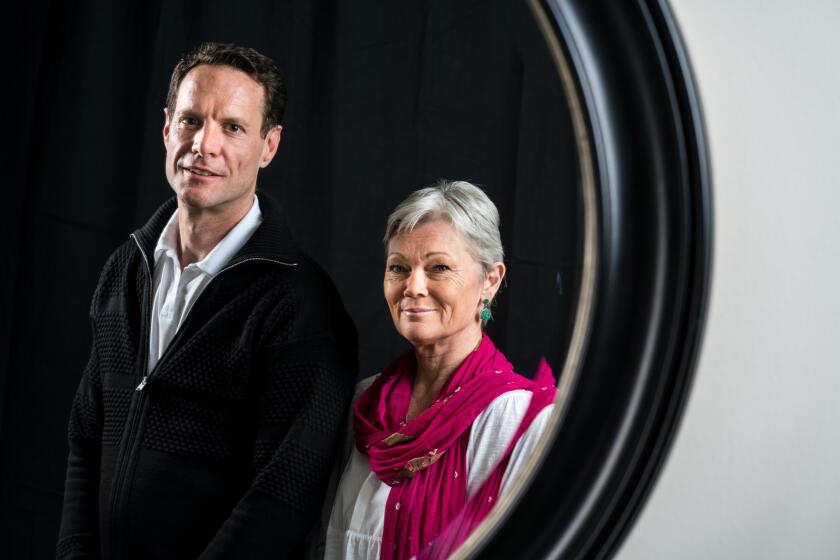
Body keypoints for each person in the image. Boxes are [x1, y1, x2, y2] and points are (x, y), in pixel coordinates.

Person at [56, 42, 358, 559]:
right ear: (167, 127)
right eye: (192, 120)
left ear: (269, 146)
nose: (204, 144)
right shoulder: (125, 269)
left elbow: (283, 496)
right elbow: (87, 438)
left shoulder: (302, 306)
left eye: (233, 127)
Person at [323, 180, 556, 559]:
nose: (413, 286)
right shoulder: (364, 402)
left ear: (490, 281)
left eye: (439, 267)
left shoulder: (518, 423)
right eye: (399, 267)